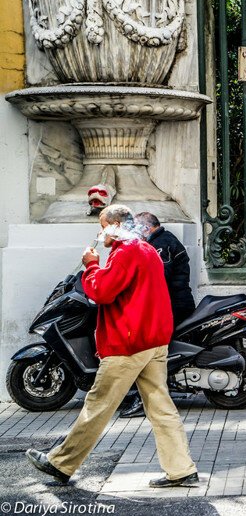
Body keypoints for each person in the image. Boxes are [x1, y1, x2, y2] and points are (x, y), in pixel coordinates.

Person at [26, 205, 199, 487]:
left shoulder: (126, 251)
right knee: (160, 406)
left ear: (116, 224)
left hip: (129, 342)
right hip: (153, 339)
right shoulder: (144, 249)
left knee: (97, 404)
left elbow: (101, 292)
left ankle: (61, 463)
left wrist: (91, 265)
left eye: (102, 225)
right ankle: (181, 470)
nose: (100, 231)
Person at [119, 213, 197, 419]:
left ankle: (145, 399)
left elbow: (155, 277)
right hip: (167, 304)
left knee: (145, 349)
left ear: (146, 228)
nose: (133, 234)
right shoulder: (161, 241)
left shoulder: (161, 245)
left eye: (135, 228)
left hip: (172, 306)